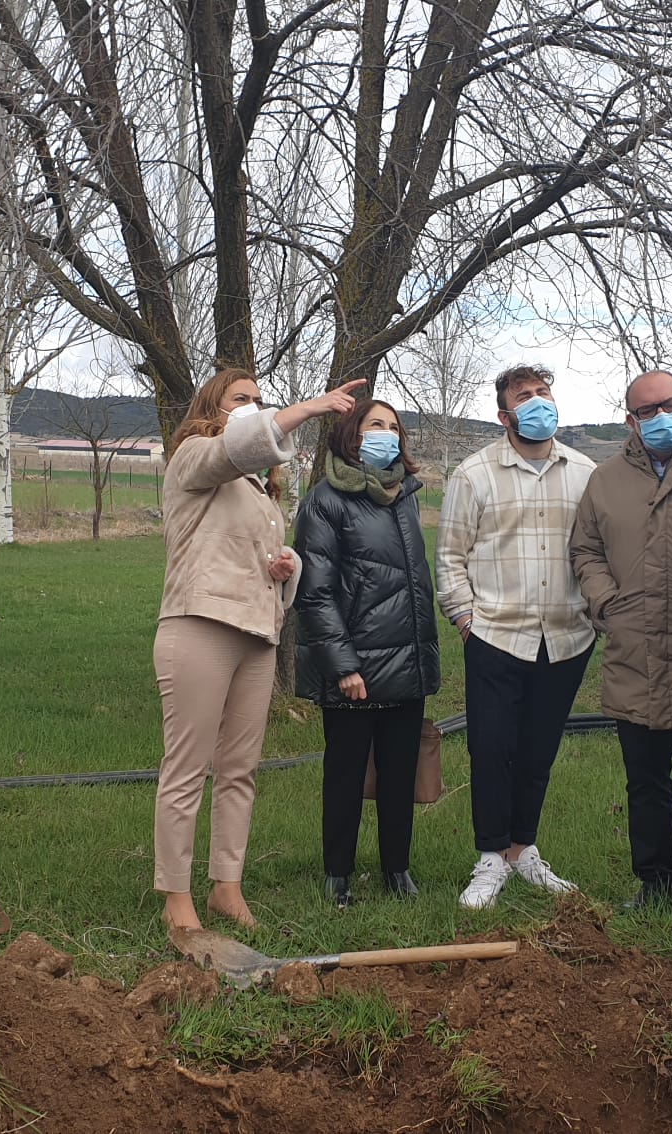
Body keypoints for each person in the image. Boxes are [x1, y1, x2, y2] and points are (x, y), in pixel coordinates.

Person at [154, 367, 365, 932]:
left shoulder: (259, 490)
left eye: (258, 400)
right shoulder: (194, 458)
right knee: (186, 768)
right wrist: (308, 408)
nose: (251, 407)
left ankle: (227, 886)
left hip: (256, 634)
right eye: (239, 399)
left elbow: (256, 555)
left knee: (240, 769)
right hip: (199, 625)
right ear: (212, 408)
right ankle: (177, 899)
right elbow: (237, 448)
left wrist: (284, 566)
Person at [569, 369, 672, 922]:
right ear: (630, 420)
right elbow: (584, 549)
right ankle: (653, 880)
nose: (660, 417)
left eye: (670, 405)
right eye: (647, 411)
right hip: (634, 653)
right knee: (645, 781)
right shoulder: (607, 480)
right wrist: (607, 603)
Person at [437, 364, 597, 910]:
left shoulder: (584, 472)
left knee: (537, 751)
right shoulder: (473, 474)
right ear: (504, 414)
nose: (536, 402)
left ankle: (523, 850)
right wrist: (466, 620)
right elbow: (451, 556)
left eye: (542, 392)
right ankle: (489, 857)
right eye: (523, 396)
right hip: (496, 635)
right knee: (490, 748)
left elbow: (597, 552)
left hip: (567, 637)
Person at [292, 399, 440, 908]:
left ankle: (397, 869)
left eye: (394, 427)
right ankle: (339, 875)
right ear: (351, 435)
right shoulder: (325, 500)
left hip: (406, 664)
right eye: (376, 425)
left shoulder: (407, 497)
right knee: (346, 776)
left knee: (400, 774)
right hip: (355, 668)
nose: (387, 434)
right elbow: (316, 592)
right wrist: (345, 666)